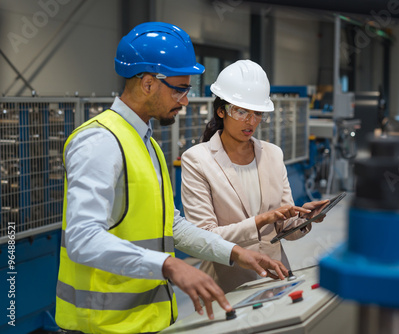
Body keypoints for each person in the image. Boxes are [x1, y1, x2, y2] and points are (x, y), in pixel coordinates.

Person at [55, 23, 289, 334]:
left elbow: (172, 224)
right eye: (180, 88)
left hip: (145, 321)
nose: (185, 101)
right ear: (149, 83)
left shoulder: (146, 143)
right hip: (101, 325)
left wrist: (235, 253)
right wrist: (169, 265)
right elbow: (82, 239)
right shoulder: (101, 142)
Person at [180, 60, 329, 293]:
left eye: (257, 113)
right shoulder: (197, 160)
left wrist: (305, 219)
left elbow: (285, 229)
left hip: (275, 277)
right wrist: (261, 220)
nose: (251, 121)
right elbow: (204, 238)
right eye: (241, 111)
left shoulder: (272, 154)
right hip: (227, 284)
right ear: (221, 111)